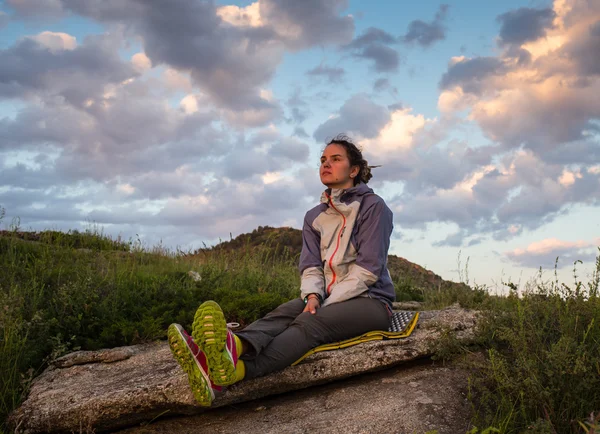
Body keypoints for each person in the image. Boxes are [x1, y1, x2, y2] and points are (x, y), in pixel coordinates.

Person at [168, 133, 396, 406]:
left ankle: (235, 372)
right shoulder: (314, 216)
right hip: (328, 297)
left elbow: (368, 270)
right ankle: (228, 349)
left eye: (336, 159)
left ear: (354, 169)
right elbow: (311, 266)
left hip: (370, 302)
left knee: (309, 322)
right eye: (323, 160)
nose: (326, 164)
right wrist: (312, 296)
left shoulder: (374, 207)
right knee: (282, 314)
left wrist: (324, 304)